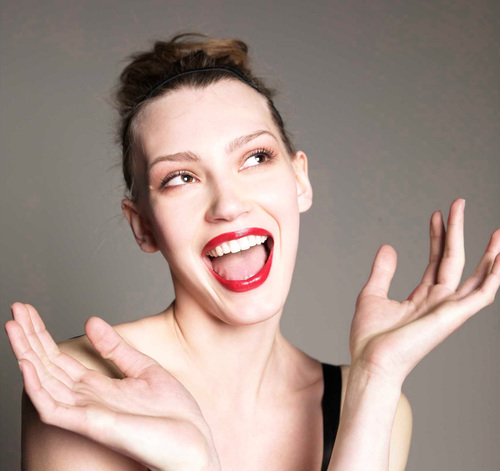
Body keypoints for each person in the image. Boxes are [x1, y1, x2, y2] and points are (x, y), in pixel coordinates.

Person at [5, 33, 500, 471]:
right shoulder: (80, 383)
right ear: (144, 226)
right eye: (181, 177)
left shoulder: (372, 400)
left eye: (256, 157)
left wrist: (376, 379)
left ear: (300, 180)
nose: (228, 204)